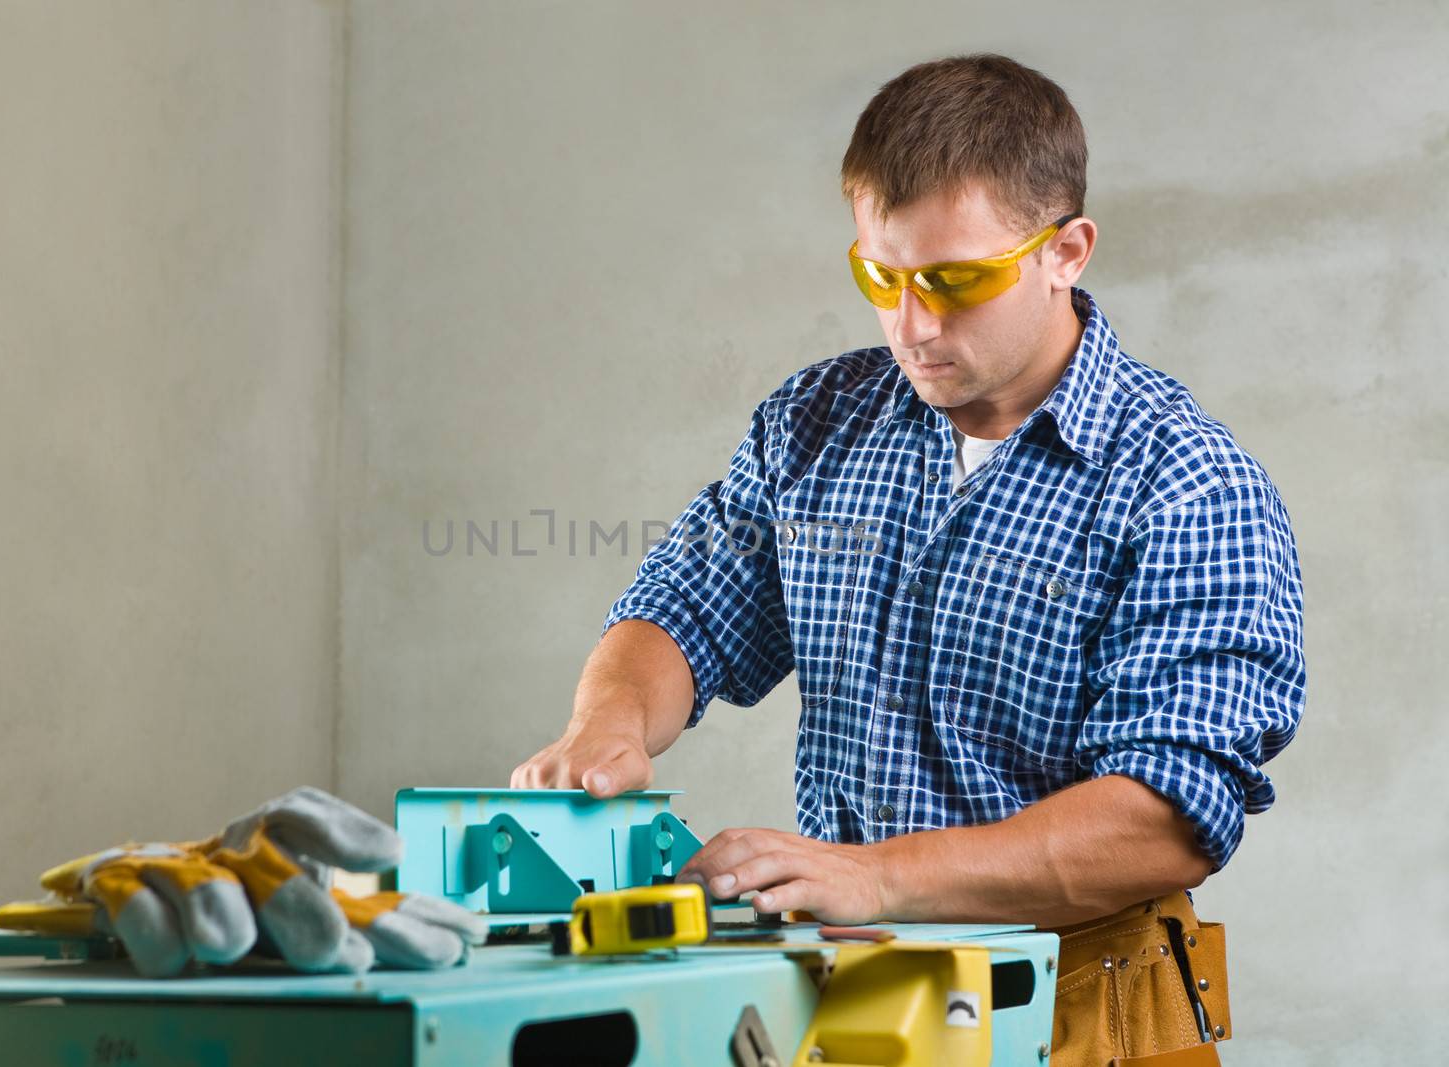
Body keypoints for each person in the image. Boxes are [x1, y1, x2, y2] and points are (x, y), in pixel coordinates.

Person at [511, 53, 1304, 1065]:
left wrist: (877, 875)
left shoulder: (1189, 484)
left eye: (956, 280)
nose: (912, 324)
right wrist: (607, 723)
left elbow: (1167, 816)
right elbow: (687, 606)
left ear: (1067, 249)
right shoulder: (814, 424)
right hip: (854, 1007)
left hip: (1078, 1018)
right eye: (878, 276)